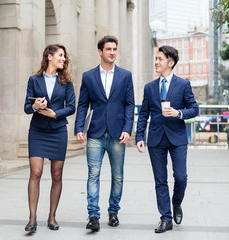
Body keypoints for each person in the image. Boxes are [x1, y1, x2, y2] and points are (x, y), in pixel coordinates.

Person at [75, 35, 135, 231]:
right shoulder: (88, 76)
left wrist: (128, 129)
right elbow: (83, 104)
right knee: (94, 173)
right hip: (95, 132)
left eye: (115, 49)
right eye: (108, 49)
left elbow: (129, 104)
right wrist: (78, 128)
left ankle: (113, 211)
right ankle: (93, 215)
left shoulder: (125, 75)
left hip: (118, 133)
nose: (112, 52)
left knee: (117, 175)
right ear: (100, 52)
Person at [136, 45, 198, 233]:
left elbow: (194, 109)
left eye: (160, 59)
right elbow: (143, 114)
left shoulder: (183, 84)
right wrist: (140, 136)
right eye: (156, 58)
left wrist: (178, 113)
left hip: (177, 137)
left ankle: (176, 202)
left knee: (181, 177)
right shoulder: (149, 88)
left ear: (170, 63)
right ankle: (165, 218)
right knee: (160, 180)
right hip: (156, 139)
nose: (156, 62)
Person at [24, 44, 75, 232]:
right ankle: (32, 218)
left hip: (58, 130)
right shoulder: (34, 80)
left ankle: (52, 216)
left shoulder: (67, 82)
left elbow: (71, 106)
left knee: (56, 174)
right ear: (49, 56)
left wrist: (55, 114)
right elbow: (26, 107)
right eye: (60, 55)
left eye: (64, 56)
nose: (64, 58)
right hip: (37, 131)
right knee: (35, 173)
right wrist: (36, 106)